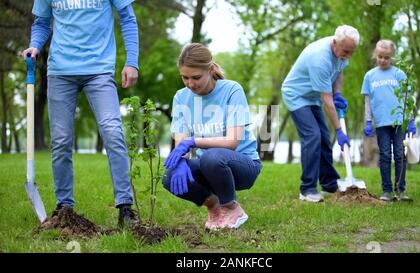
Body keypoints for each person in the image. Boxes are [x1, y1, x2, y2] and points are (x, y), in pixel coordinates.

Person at [22, 0, 139, 227]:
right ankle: (64, 209)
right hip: (60, 72)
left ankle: (125, 207)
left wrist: (132, 61)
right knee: (61, 140)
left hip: (99, 69)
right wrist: (34, 45)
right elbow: (42, 22)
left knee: (113, 132)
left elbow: (128, 17)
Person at [162, 43, 262, 230]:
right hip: (209, 166)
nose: (190, 84)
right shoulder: (181, 97)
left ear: (210, 69)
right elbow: (180, 141)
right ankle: (214, 205)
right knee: (169, 176)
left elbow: (232, 142)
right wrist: (181, 161)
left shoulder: (232, 90)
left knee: (212, 156)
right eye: (185, 77)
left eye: (196, 77)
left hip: (243, 166)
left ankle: (232, 208)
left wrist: (193, 142)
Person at [281, 25, 360, 202]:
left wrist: (338, 92)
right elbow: (327, 101)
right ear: (334, 42)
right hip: (297, 95)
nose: (348, 56)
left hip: (313, 95)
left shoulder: (342, 51)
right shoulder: (320, 58)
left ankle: (329, 183)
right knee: (312, 136)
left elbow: (339, 71)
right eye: (346, 52)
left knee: (324, 137)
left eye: (351, 53)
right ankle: (307, 189)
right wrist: (339, 131)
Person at [361, 40, 415, 202]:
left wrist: (411, 120)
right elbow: (368, 101)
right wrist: (368, 121)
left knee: (399, 155)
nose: (383, 60)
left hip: (399, 122)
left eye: (386, 57)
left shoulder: (399, 74)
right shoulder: (370, 76)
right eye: (380, 57)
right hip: (382, 123)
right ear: (375, 55)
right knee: (385, 155)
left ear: (392, 57)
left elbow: (408, 99)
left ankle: (400, 190)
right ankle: (386, 191)